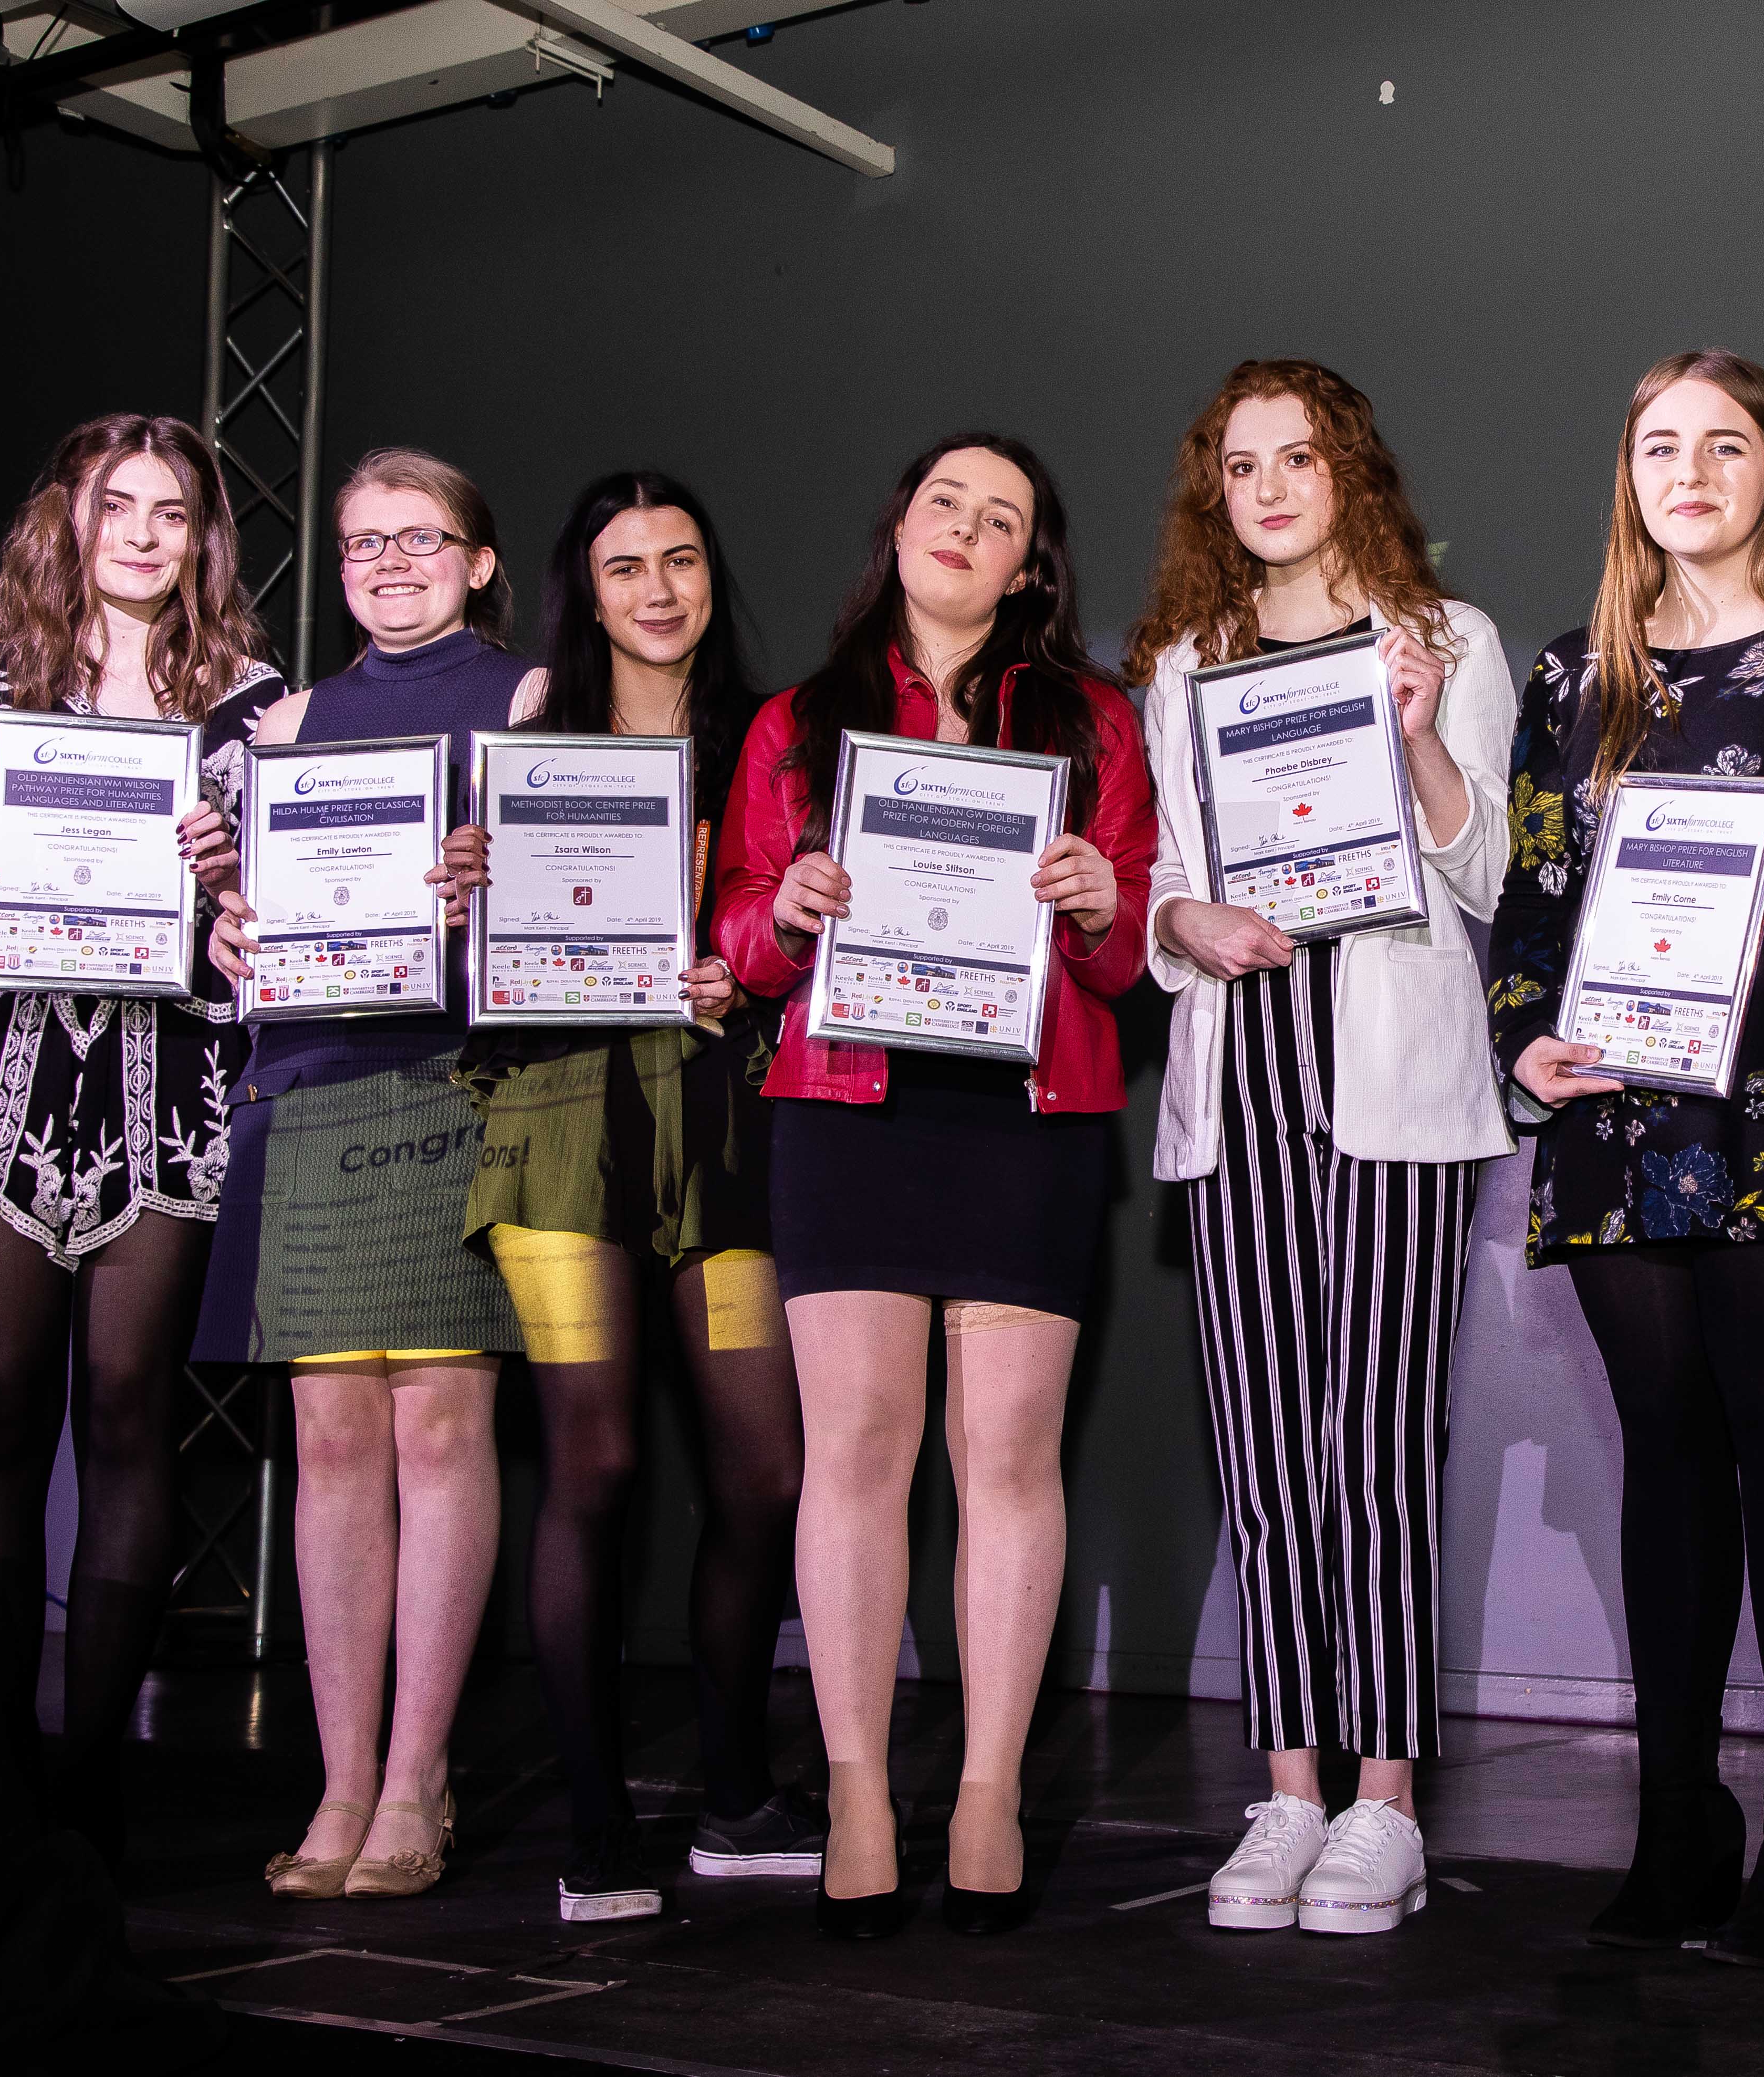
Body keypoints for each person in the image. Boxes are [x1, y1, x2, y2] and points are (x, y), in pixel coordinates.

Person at [713, 434, 1154, 1938]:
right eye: (943, 502)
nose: (964, 528)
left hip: (1029, 1111)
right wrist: (788, 910)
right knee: (855, 1451)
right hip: (850, 1106)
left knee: (1008, 1458)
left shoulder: (1094, 719)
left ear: (1032, 569)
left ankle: (986, 1788)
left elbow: (1130, 951)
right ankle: (854, 1787)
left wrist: (1098, 903)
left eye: (1001, 518)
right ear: (899, 526)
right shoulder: (799, 719)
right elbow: (738, 936)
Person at [1486, 351, 1764, 1964]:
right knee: (1667, 1454)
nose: (1690, 473)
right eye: (1660, 446)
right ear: (1628, 474)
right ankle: (1677, 1820)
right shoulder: (1579, 672)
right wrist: (1524, 1038)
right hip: (1617, 1109)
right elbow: (1532, 893)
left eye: (1725, 444)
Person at [1128, 361, 1513, 1936]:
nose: (1272, 488)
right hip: (1243, 1088)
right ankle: (1288, 1787)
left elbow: (1489, 869)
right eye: (1243, 466)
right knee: (1268, 1450)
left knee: (1380, 1450)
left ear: (1351, 469)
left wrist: (1417, 738)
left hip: (1393, 1092)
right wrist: (1186, 923)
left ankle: (1386, 1803)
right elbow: (1166, 874)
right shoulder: (1188, 666)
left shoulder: (1448, 639)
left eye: (1299, 457)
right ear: (1215, 492)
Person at [0, 413, 279, 1866]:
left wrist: (232, 882)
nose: (146, 535)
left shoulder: (252, 707)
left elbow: (276, 934)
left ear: (202, 538)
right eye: (120, 506)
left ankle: (92, 1779)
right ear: (70, 516)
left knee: (129, 1414)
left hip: (163, 1086)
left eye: (174, 512)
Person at [452, 474, 817, 1907]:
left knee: (763, 1472)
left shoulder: (773, 742)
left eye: (681, 560)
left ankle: (733, 1795)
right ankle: (597, 1825)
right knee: (593, 1465)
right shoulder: (523, 754)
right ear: (584, 592)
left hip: (723, 1123)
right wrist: (468, 891)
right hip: (558, 1122)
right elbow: (470, 963)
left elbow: (795, 931)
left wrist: (752, 965)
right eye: (625, 567)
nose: (659, 590)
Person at [201, 450, 531, 1908]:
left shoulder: (529, 697)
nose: (390, 563)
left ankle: (415, 1777)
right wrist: (229, 920)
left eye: (419, 537)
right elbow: (256, 910)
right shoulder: (287, 720)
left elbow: (580, 890)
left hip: (460, 1084)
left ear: (478, 561)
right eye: (360, 544)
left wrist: (497, 872)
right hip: (315, 1078)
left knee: (443, 1430)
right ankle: (341, 1780)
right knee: (332, 1440)